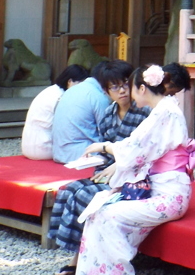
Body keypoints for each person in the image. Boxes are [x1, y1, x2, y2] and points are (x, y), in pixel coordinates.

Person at [76, 64, 195, 275]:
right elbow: (139, 148)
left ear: (142, 89)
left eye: (131, 87)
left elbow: (135, 148)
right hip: (160, 188)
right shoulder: (163, 110)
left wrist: (105, 146)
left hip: (168, 194)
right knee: (98, 213)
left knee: (106, 215)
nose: (129, 94)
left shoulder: (164, 114)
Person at [49, 61, 152, 274]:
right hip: (109, 172)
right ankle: (81, 256)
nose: (122, 90)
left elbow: (147, 151)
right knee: (69, 191)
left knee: (85, 196)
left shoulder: (145, 113)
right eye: (115, 87)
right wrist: (93, 162)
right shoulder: (108, 115)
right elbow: (105, 151)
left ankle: (76, 263)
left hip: (136, 176)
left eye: (125, 84)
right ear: (106, 91)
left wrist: (118, 165)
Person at [21, 65, 90, 160]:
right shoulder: (61, 97)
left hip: (29, 144)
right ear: (70, 82)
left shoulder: (51, 90)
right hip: (44, 147)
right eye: (80, 84)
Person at [51, 61, 112, 164]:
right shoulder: (98, 96)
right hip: (83, 156)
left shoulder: (71, 90)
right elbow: (107, 132)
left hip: (59, 153)